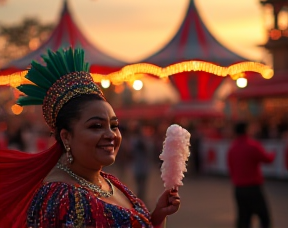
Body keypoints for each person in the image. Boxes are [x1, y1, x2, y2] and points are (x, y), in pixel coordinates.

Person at [0, 48, 180, 228]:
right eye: (96, 126)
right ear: (66, 136)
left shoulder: (109, 182)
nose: (111, 135)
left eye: (114, 125)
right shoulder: (60, 199)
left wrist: (157, 217)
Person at [227, 121, 275, 228]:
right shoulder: (252, 145)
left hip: (238, 188)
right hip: (253, 187)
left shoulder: (232, 148)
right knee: (264, 217)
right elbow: (267, 159)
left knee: (243, 219)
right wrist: (273, 153)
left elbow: (230, 167)